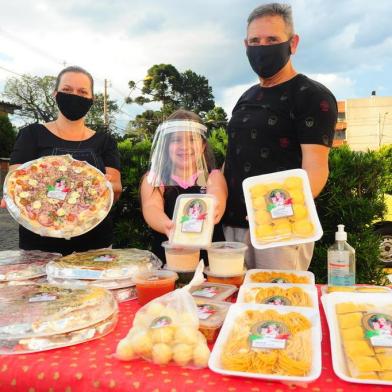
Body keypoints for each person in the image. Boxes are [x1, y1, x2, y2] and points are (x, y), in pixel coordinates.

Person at [223, 3, 337, 270]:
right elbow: (233, 158)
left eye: (272, 39)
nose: (262, 47)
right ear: (245, 45)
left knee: (277, 305)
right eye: (255, 41)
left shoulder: (312, 96)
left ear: (293, 43)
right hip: (231, 228)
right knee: (235, 306)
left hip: (280, 231)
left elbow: (316, 169)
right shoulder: (246, 97)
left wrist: (275, 220)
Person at [2, 65, 122, 255]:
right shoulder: (31, 134)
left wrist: (106, 188)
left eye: (82, 92)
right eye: (67, 90)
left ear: (92, 99)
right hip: (39, 245)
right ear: (55, 93)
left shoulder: (105, 141)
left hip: (95, 244)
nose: (74, 96)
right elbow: (16, 179)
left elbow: (115, 186)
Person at [140, 109, 227, 263]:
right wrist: (167, 226)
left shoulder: (212, 177)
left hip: (210, 264)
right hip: (168, 262)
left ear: (203, 146)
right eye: (176, 140)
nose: (184, 146)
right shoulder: (154, 178)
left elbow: (217, 193)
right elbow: (151, 206)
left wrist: (215, 206)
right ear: (166, 146)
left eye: (192, 139)